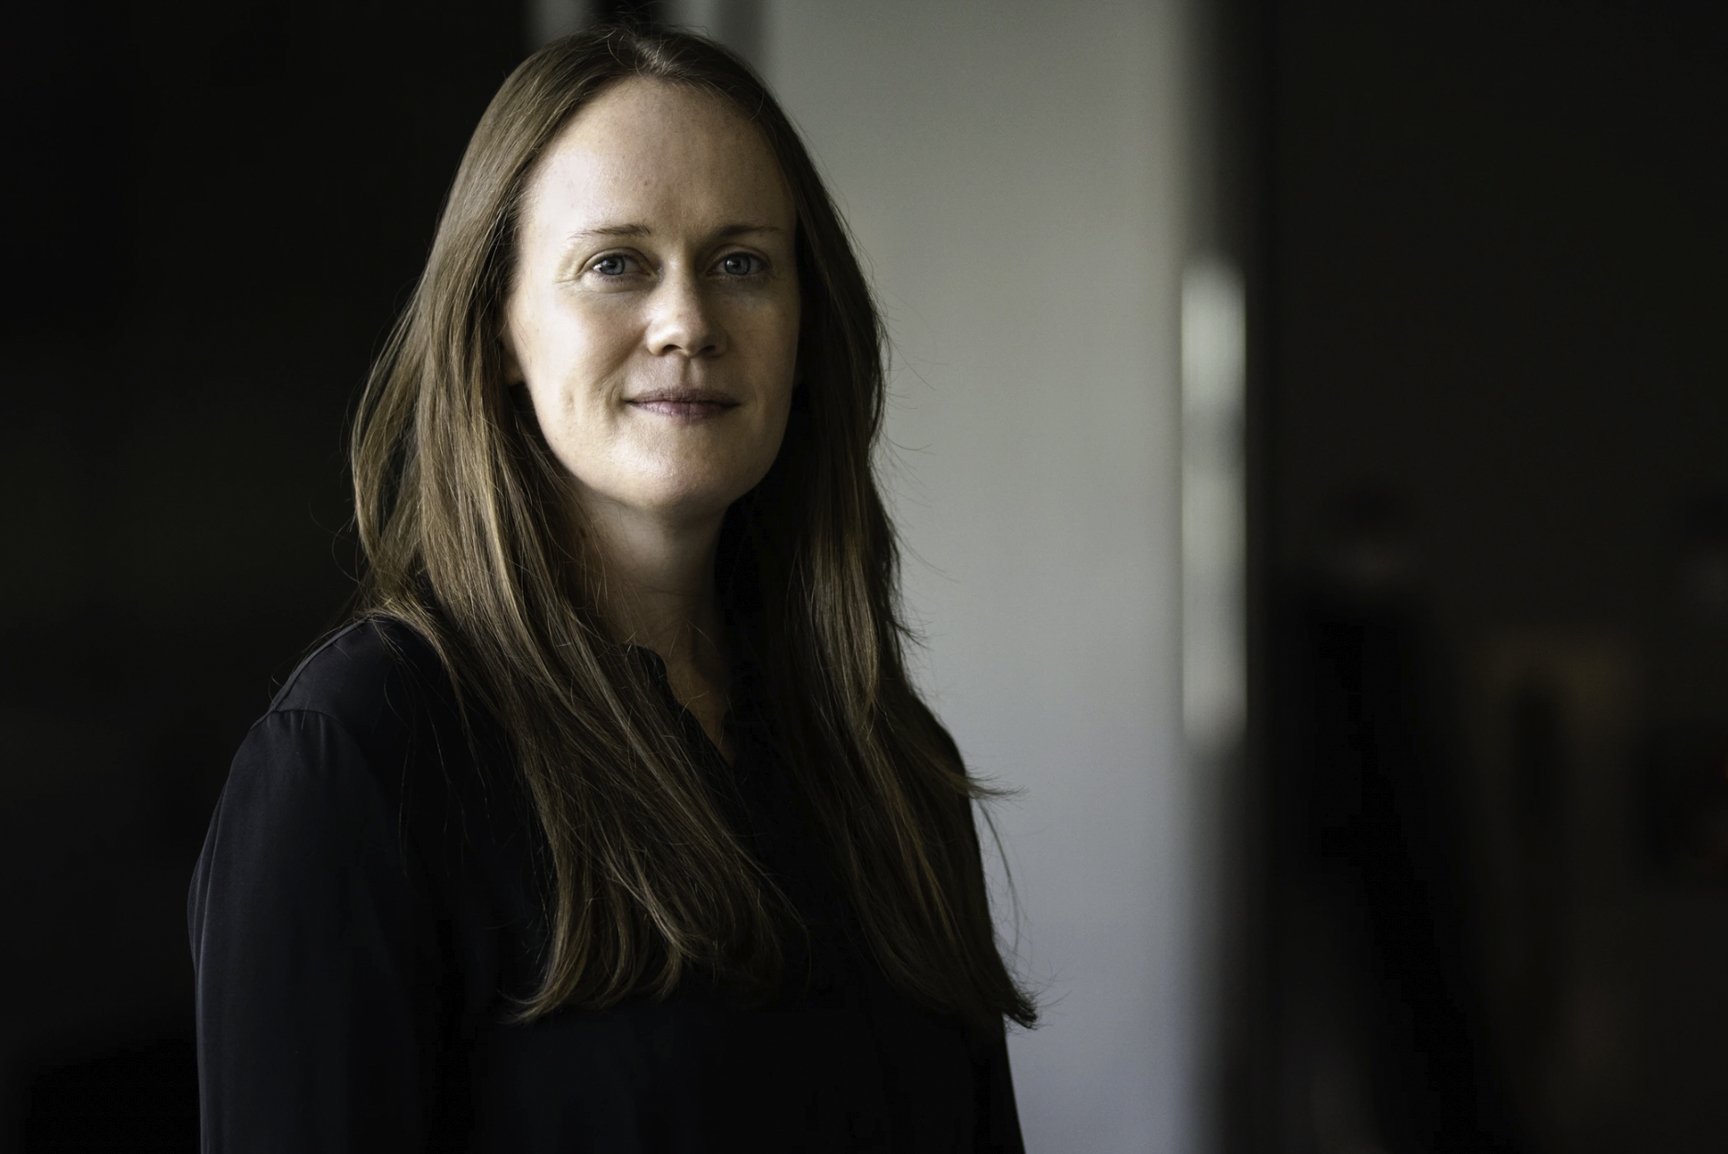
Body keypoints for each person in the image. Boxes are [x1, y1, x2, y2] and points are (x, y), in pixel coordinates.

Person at [187, 23, 1035, 1152]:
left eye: (742, 263)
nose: (688, 322)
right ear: (499, 331)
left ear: (803, 330)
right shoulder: (361, 760)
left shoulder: (885, 759)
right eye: (614, 264)